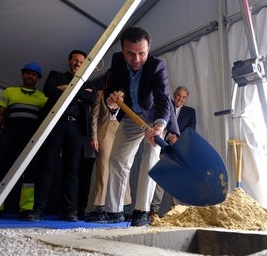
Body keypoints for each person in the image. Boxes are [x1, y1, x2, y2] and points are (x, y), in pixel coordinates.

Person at [91, 26, 179, 227]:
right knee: (117, 159)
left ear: (148, 49)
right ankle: (114, 211)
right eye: (131, 53)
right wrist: (111, 100)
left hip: (153, 116)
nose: (137, 59)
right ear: (123, 51)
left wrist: (159, 126)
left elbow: (164, 99)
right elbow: (110, 90)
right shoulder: (117, 61)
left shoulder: (157, 66)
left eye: (142, 53)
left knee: (150, 158)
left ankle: (141, 210)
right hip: (131, 116)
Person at [25, 50, 96, 222]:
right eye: (75, 60)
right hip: (55, 125)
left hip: (77, 130)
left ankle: (69, 211)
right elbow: (50, 91)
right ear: (69, 61)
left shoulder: (90, 84)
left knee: (72, 171)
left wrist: (67, 91)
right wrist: (79, 94)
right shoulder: (55, 75)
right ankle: (39, 209)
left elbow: (91, 98)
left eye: (81, 62)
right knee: (47, 166)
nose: (77, 64)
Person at [0, 62, 47, 218]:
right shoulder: (9, 92)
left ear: (37, 78)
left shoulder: (42, 98)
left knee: (30, 171)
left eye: (33, 74)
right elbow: (0, 113)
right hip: (9, 132)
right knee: (2, 167)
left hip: (30, 136)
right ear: (22, 74)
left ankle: (26, 208)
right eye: (27, 73)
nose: (29, 76)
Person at [84, 71, 132, 223]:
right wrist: (93, 136)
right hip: (103, 132)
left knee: (121, 168)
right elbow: (94, 116)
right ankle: (99, 206)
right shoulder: (100, 94)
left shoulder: (124, 96)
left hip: (120, 131)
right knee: (103, 168)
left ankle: (121, 205)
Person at [149, 86, 196, 218]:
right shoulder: (165, 105)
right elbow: (156, 123)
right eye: (178, 95)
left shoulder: (190, 112)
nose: (180, 99)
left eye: (183, 97)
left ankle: (174, 211)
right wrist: (167, 135)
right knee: (160, 179)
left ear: (186, 99)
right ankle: (154, 210)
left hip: (179, 151)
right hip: (163, 147)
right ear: (174, 95)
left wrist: (178, 139)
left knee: (177, 180)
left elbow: (191, 130)